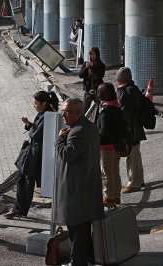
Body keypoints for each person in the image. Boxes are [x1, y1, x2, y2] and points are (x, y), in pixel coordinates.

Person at [55, 97, 105, 265]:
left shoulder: (77, 131)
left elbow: (68, 154)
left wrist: (59, 139)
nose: (63, 115)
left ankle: (79, 262)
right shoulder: (89, 127)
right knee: (83, 229)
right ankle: (88, 259)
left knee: (77, 231)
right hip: (86, 187)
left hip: (77, 190)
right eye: (62, 111)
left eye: (67, 112)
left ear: (79, 112)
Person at [4, 90, 59, 219]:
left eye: (35, 103)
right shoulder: (42, 114)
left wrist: (31, 129)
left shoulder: (48, 116)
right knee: (21, 180)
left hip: (36, 156)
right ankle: (18, 209)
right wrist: (29, 124)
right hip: (33, 153)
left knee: (27, 182)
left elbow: (36, 135)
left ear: (43, 103)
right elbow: (35, 130)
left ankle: (19, 209)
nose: (34, 106)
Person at [114, 67, 146, 193]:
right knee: (136, 155)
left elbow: (124, 114)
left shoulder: (125, 93)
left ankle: (134, 183)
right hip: (136, 128)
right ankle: (139, 179)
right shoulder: (134, 89)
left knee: (132, 155)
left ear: (121, 80)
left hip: (131, 129)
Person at [96, 82, 125, 207]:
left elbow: (104, 132)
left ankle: (108, 197)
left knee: (106, 174)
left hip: (106, 147)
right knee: (114, 172)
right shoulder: (117, 108)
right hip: (117, 146)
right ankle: (116, 196)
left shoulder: (105, 112)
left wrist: (94, 138)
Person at [79, 47, 106, 114]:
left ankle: (96, 123)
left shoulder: (101, 65)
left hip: (97, 91)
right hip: (88, 91)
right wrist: (86, 68)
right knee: (85, 110)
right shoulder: (86, 64)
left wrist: (92, 69)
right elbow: (80, 75)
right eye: (91, 54)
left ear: (97, 55)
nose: (92, 56)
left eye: (94, 54)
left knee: (97, 111)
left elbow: (99, 77)